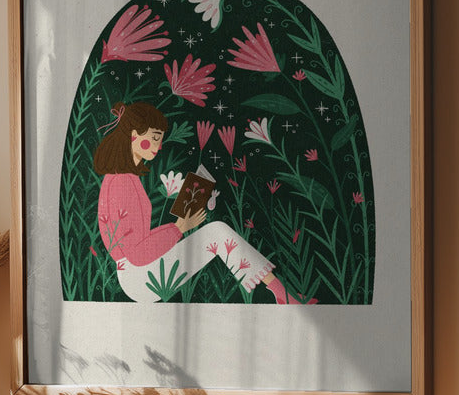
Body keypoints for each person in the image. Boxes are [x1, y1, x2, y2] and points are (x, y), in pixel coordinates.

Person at [94, 101, 313, 304]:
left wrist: (177, 226)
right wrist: (178, 228)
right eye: (154, 137)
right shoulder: (121, 182)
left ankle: (280, 291)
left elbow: (136, 244)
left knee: (216, 232)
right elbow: (136, 253)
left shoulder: (123, 178)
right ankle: (281, 292)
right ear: (133, 135)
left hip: (137, 271)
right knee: (217, 232)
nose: (159, 146)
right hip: (139, 277)